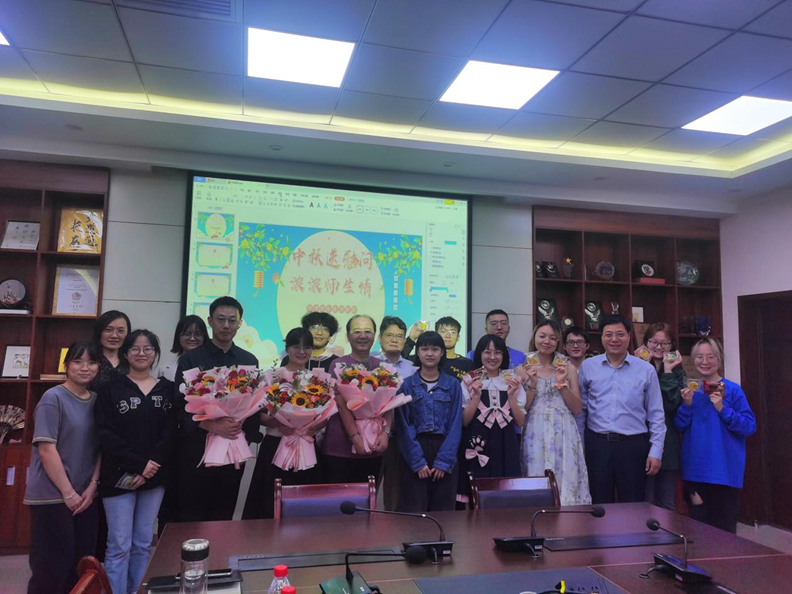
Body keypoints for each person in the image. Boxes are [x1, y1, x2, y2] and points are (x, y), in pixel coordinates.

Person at [96, 330, 174, 594]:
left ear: (155, 353)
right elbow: (105, 433)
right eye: (135, 349)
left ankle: (136, 590)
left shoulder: (167, 389)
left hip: (155, 477)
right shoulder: (110, 389)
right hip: (118, 477)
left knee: (142, 543)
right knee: (119, 545)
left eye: (148, 348)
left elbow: (169, 433)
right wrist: (139, 465)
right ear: (126, 353)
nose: (142, 353)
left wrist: (151, 466)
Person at [24, 341, 101, 594]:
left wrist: (92, 487)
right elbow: (46, 449)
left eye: (91, 362)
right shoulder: (53, 398)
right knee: (51, 568)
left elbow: (101, 449)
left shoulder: (98, 401)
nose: (84, 368)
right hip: (52, 497)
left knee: (80, 568)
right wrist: (68, 493)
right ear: (66, 365)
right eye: (78, 361)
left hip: (85, 497)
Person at [174, 296, 260, 522]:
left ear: (239, 324)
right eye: (221, 319)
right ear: (210, 321)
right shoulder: (191, 359)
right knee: (192, 513)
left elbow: (253, 406)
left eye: (232, 320)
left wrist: (242, 435)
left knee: (224, 513)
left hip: (233, 448)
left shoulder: (248, 360)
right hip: (197, 449)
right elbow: (179, 404)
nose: (226, 325)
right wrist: (210, 425)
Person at [579, 315, 666, 504]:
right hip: (598, 445)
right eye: (608, 334)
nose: (614, 339)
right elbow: (581, 412)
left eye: (620, 334)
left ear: (629, 336)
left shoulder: (646, 370)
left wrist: (656, 452)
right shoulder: (588, 367)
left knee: (633, 504)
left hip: (633, 446)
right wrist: (580, 447)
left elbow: (656, 414)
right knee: (599, 503)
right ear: (601, 337)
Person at [243, 328, 325, 519]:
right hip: (275, 446)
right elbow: (258, 416)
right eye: (296, 346)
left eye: (307, 347)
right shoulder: (272, 377)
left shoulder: (318, 380)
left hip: (306, 447)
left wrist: (312, 427)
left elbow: (325, 417)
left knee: (304, 506)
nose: (301, 351)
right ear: (287, 348)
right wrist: (278, 423)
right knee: (269, 503)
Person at [676, 338, 756, 534]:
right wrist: (687, 405)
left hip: (725, 473)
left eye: (710, 357)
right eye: (699, 357)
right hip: (695, 472)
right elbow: (679, 425)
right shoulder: (691, 390)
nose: (705, 362)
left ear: (719, 359)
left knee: (724, 533)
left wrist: (722, 409)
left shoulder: (733, 390)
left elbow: (749, 427)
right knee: (698, 532)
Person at [520, 321, 590, 505]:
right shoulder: (523, 367)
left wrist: (562, 385)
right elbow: (522, 409)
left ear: (558, 341)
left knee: (566, 477)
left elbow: (577, 408)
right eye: (542, 336)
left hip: (564, 430)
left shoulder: (567, 367)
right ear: (534, 338)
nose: (547, 341)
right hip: (535, 430)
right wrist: (532, 384)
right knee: (536, 475)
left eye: (552, 338)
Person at [396, 331, 463, 512]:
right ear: (417, 352)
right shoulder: (406, 385)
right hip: (415, 450)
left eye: (435, 349)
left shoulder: (453, 385)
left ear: (442, 352)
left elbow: (455, 425)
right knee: (413, 511)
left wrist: (443, 462)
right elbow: (404, 425)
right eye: (424, 349)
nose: (430, 353)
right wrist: (417, 462)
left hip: (444, 450)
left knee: (444, 513)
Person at [460, 334, 525, 505]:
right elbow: (465, 421)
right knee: (476, 493)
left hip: (506, 444)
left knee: (506, 496)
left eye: (497, 352)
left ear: (504, 355)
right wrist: (476, 397)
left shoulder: (512, 381)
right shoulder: (469, 380)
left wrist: (511, 396)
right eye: (487, 352)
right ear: (479, 354)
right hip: (477, 442)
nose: (492, 357)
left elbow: (520, 422)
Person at [323, 314, 388, 484]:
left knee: (369, 497)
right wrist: (355, 437)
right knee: (339, 497)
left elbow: (389, 405)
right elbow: (341, 404)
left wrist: (385, 433)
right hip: (341, 446)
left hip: (373, 444)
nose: (363, 336)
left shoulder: (382, 366)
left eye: (368, 331)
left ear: (375, 335)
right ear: (348, 336)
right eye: (357, 331)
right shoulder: (338, 365)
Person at [641, 323, 684, 512]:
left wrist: (667, 371)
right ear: (645, 343)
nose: (658, 347)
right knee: (645, 500)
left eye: (664, 343)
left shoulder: (678, 373)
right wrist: (642, 364)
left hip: (669, 442)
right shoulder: (637, 368)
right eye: (654, 342)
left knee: (667, 502)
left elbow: (671, 404)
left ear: (672, 345)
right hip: (642, 439)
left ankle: (667, 532)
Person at [376, 316, 417, 511]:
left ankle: (393, 524)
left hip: (401, 434)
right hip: (373, 433)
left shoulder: (413, 368)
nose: (394, 340)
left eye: (399, 336)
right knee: (369, 486)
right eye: (389, 335)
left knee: (396, 491)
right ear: (380, 338)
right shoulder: (371, 363)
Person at [89, 310, 131, 393]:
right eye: (108, 330)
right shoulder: (89, 358)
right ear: (99, 332)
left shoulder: (131, 360)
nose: (114, 336)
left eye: (120, 331)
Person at [563, 326, 591, 442]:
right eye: (570, 342)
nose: (575, 346)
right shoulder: (558, 367)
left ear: (587, 345)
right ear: (564, 346)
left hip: (592, 419)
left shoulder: (594, 367)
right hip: (565, 418)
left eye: (580, 342)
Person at [159, 315, 208, 381]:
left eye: (198, 334)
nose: (192, 338)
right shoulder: (164, 369)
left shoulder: (213, 366)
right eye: (187, 334)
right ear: (178, 336)